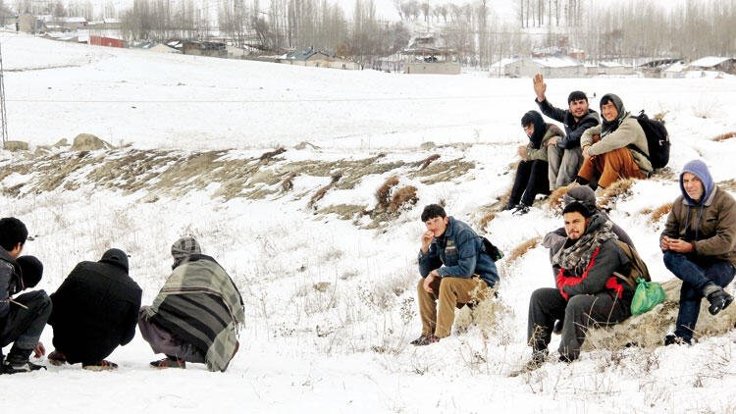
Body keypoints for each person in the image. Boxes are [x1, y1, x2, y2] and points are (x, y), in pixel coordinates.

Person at [524, 202, 633, 368]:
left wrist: (567, 287)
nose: (571, 227)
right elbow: (563, 275)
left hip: (617, 301)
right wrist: (568, 286)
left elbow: (591, 285)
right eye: (567, 223)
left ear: (587, 221)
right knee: (540, 297)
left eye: (576, 222)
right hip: (588, 297)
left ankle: (567, 357)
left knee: (577, 303)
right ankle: (538, 352)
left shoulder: (605, 244)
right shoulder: (575, 244)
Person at [138, 237, 245, 371]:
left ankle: (176, 357)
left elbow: (158, 307)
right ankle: (222, 348)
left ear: (180, 255)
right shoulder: (216, 269)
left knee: (145, 315)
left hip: (197, 332)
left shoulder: (181, 272)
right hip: (218, 332)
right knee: (194, 324)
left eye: (175, 257)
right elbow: (234, 302)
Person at [660, 160, 736, 345]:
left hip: (723, 262)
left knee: (691, 286)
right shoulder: (680, 203)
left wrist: (692, 247)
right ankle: (713, 292)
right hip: (693, 262)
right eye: (685, 181)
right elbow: (669, 230)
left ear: (705, 180)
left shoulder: (726, 203)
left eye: (695, 180)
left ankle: (682, 337)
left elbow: (726, 242)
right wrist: (665, 241)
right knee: (669, 257)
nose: (690, 185)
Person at [413, 204, 500, 345]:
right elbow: (425, 272)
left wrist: (437, 272)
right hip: (463, 283)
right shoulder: (437, 238)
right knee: (423, 283)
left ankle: (441, 335)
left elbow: (466, 270)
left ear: (445, 219)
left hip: (484, 284)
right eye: (429, 223)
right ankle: (427, 333)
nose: (433, 226)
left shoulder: (462, 232)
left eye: (436, 220)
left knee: (448, 282)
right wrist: (424, 248)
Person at [46, 248, 142, 371]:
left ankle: (61, 352)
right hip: (100, 348)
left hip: (65, 338)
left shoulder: (83, 268)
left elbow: (57, 300)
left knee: (57, 302)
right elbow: (127, 336)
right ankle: (93, 360)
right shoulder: (135, 290)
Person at [0, 217, 51, 374]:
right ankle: (18, 360)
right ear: (17, 246)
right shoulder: (4, 267)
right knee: (42, 300)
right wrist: (24, 324)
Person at [533, 73, 600, 190]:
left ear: (587, 104)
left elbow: (573, 139)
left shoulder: (591, 120)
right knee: (553, 147)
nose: (578, 106)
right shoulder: (568, 116)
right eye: (574, 104)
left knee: (569, 146)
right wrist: (541, 97)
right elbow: (550, 111)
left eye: (581, 102)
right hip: (572, 163)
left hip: (589, 166)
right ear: (569, 107)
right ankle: (554, 190)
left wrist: (557, 141)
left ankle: (561, 189)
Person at [577, 93, 652, 189]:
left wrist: (589, 151)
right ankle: (581, 182)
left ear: (619, 107)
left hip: (639, 173)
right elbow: (588, 132)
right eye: (603, 108)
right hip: (623, 169)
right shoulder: (611, 124)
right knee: (595, 138)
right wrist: (586, 146)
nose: (607, 111)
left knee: (614, 150)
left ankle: (601, 192)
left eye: (610, 107)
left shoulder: (629, 124)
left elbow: (610, 142)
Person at [505, 110, 564, 215]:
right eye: (525, 129)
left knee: (538, 164)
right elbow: (531, 154)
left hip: (558, 183)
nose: (528, 132)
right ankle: (512, 203)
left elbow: (546, 155)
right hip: (543, 181)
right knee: (524, 164)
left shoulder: (553, 133)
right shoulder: (536, 137)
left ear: (537, 124)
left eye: (530, 127)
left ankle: (526, 204)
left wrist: (527, 153)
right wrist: (526, 154)